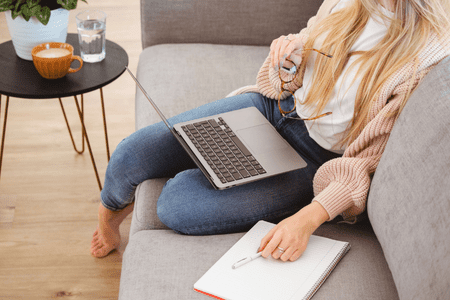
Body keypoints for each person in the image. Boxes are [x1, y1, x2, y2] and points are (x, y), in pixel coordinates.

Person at [90, 0, 450, 259]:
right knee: (128, 155)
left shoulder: (426, 54)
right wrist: (286, 62)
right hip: (272, 108)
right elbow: (289, 73)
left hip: (311, 160)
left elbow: (366, 163)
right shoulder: (347, 3)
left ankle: (221, 169)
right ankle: (111, 215)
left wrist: (307, 219)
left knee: (175, 204)